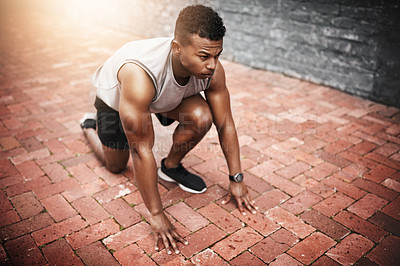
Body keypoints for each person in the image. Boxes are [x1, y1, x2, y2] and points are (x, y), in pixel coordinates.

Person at [80, 4, 257, 255]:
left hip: (164, 98)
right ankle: (89, 125)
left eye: (217, 55)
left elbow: (225, 123)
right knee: (116, 166)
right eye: (204, 56)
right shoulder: (138, 73)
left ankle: (170, 167)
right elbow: (141, 149)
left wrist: (236, 178)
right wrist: (156, 214)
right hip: (118, 101)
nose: (212, 65)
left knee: (202, 116)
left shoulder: (211, 69)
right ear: (177, 48)